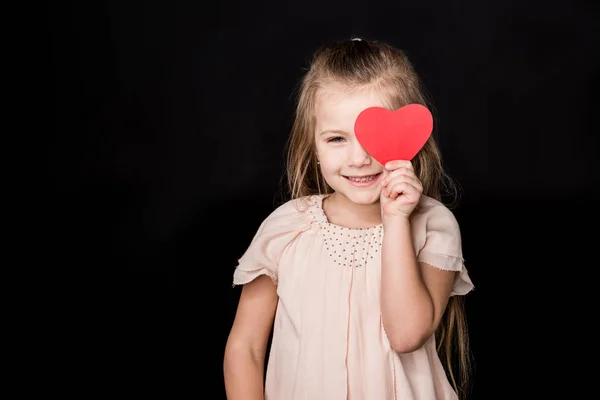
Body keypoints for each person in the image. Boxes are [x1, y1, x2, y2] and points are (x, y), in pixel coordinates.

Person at [223, 37, 474, 400]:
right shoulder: (286, 230)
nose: (358, 159)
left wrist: (397, 220)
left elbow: (406, 336)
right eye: (337, 139)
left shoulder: (432, 225)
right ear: (313, 146)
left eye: (373, 138)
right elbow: (244, 347)